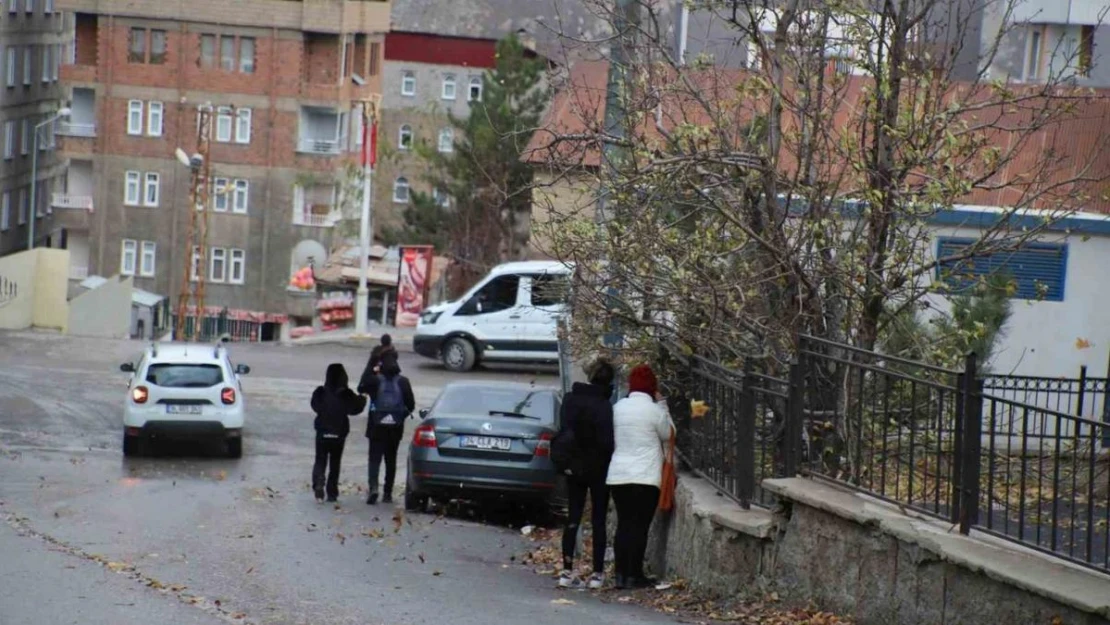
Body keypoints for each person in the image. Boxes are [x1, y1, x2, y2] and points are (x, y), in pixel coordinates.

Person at [606, 363, 674, 590]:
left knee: (624, 524)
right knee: (639, 526)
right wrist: (663, 404)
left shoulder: (618, 408)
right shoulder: (654, 411)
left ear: (631, 385)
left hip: (619, 475)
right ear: (652, 388)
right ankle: (634, 574)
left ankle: (620, 574)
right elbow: (669, 433)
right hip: (645, 476)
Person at [554, 358, 616, 590]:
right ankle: (597, 574)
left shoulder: (570, 400)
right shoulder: (604, 405)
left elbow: (564, 429)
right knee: (598, 520)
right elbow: (607, 441)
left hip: (574, 466)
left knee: (573, 517)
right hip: (599, 468)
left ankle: (566, 570)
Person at [310, 363, 367, 503]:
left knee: (320, 459)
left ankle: (318, 482)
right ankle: (332, 491)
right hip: (339, 432)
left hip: (322, 430)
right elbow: (356, 409)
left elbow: (315, 406)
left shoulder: (320, 392)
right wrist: (363, 398)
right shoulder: (346, 394)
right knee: (335, 463)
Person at [361, 360, 415, 504]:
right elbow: (411, 404)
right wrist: (398, 418)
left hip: (375, 427)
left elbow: (361, 388)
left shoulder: (374, 381)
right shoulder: (404, 382)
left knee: (374, 459)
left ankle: (373, 488)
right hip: (395, 428)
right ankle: (387, 493)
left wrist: (372, 370)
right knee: (391, 460)